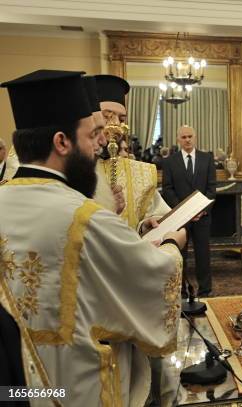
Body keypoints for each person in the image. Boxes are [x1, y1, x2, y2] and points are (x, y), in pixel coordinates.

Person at [0, 69, 186, 406]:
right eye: (91, 137)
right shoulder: (83, 216)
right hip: (72, 388)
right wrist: (172, 243)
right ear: (62, 141)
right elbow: (156, 277)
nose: (99, 146)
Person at [93, 74, 170, 231]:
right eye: (107, 117)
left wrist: (146, 225)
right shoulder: (73, 167)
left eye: (121, 119)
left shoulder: (142, 172)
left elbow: (153, 215)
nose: (115, 125)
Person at [162, 125, 216, 297]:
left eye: (190, 136)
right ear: (178, 139)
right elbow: (167, 189)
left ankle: (205, 290)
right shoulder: (170, 161)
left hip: (202, 217)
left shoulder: (206, 159)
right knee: (180, 256)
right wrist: (182, 211)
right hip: (180, 219)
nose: (187, 140)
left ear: (195, 137)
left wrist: (201, 210)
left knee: (203, 255)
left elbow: (211, 189)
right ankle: (182, 290)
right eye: (184, 137)